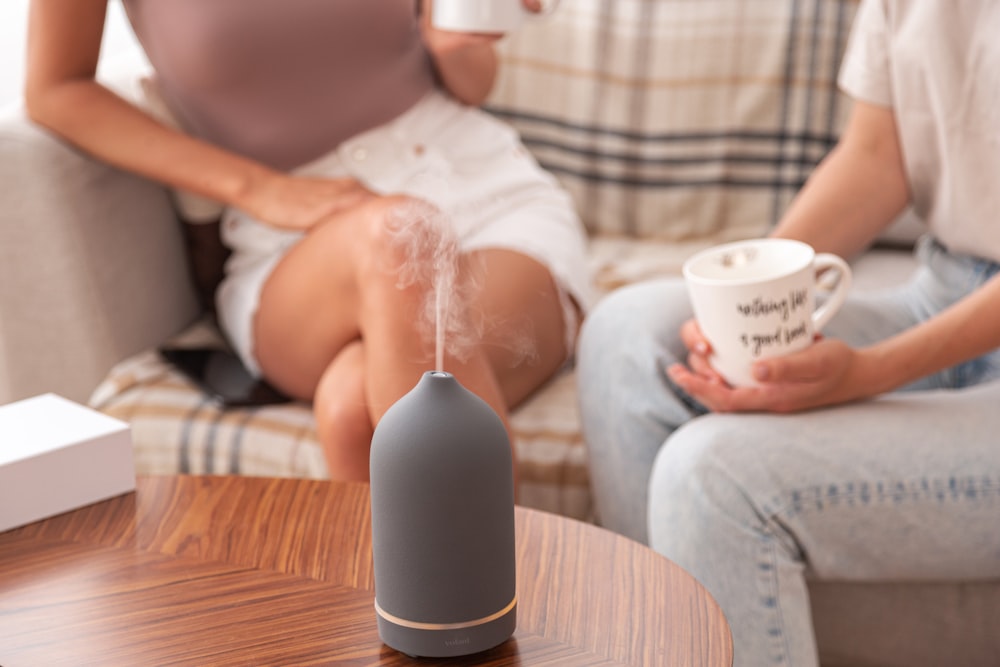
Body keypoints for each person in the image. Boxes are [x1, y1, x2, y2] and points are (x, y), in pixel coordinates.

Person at [576, 1, 1000, 664]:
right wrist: (742, 299)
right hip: (946, 288)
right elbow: (877, 154)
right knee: (626, 340)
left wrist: (867, 371)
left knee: (708, 477)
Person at [25, 0, 590, 482]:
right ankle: (500, 603)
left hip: (480, 200)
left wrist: (452, 40)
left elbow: (474, 81)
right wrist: (258, 187)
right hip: (291, 243)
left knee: (351, 407)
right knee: (400, 236)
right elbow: (54, 90)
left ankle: (444, 608)